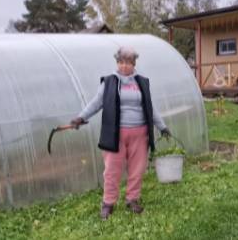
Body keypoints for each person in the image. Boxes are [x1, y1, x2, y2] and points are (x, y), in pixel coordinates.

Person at [71, 46, 171, 220]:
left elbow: (150, 107)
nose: (124, 66)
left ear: (134, 64)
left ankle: (132, 200)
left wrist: (162, 126)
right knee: (112, 170)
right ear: (117, 62)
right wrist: (80, 117)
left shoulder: (142, 82)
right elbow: (96, 103)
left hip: (140, 134)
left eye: (128, 63)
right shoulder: (109, 82)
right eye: (121, 62)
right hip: (115, 134)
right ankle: (108, 203)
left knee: (137, 169)